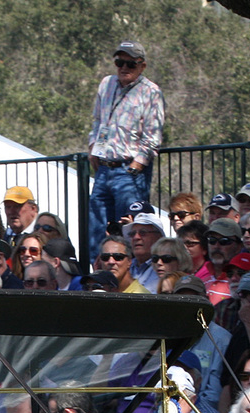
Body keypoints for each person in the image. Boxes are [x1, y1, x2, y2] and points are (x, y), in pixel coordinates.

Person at [86, 40, 164, 256]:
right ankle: (97, 275)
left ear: (142, 66)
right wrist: (93, 145)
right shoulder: (106, 84)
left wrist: (136, 166)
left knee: (130, 229)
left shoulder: (151, 92)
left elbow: (153, 135)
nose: (124, 68)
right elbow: (97, 120)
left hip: (128, 171)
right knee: (97, 230)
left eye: (130, 64)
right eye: (120, 62)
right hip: (103, 168)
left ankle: (129, 275)